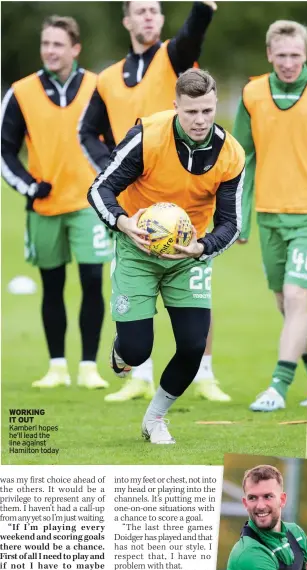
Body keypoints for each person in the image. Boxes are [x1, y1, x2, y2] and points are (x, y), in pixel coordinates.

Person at [79, 0, 230, 404]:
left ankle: (205, 374)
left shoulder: (174, 58)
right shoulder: (108, 78)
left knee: (195, 313)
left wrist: (203, 9)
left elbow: (192, 35)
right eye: (140, 10)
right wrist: (113, 169)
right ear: (126, 19)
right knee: (136, 329)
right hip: (134, 214)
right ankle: (136, 373)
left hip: (188, 209)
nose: (148, 16)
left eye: (155, 10)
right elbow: (87, 132)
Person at [87, 68, 245, 444]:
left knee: (192, 344)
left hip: (188, 256)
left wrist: (201, 247)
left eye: (207, 110)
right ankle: (122, 350)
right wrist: (124, 223)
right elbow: (100, 188)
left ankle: (155, 418)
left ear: (215, 105)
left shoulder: (231, 155)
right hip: (137, 249)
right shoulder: (148, 136)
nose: (200, 120)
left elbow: (231, 222)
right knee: (137, 351)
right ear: (176, 107)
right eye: (191, 112)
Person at [233, 20, 307, 411]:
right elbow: (240, 160)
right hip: (269, 216)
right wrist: (240, 216)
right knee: (287, 307)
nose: (288, 63)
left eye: (296, 56)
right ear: (269, 54)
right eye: (281, 55)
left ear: (306, 54)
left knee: (297, 297)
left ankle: (278, 387)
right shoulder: (252, 93)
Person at [1, 15, 113, 389]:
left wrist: (109, 185)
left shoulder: (99, 87)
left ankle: (88, 367)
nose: (50, 51)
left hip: (89, 205)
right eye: (45, 44)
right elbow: (4, 151)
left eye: (58, 44)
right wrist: (30, 186)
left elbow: (118, 142)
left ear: (75, 49)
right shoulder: (20, 92)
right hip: (45, 207)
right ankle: (56, 366)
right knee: (52, 285)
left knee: (93, 281)